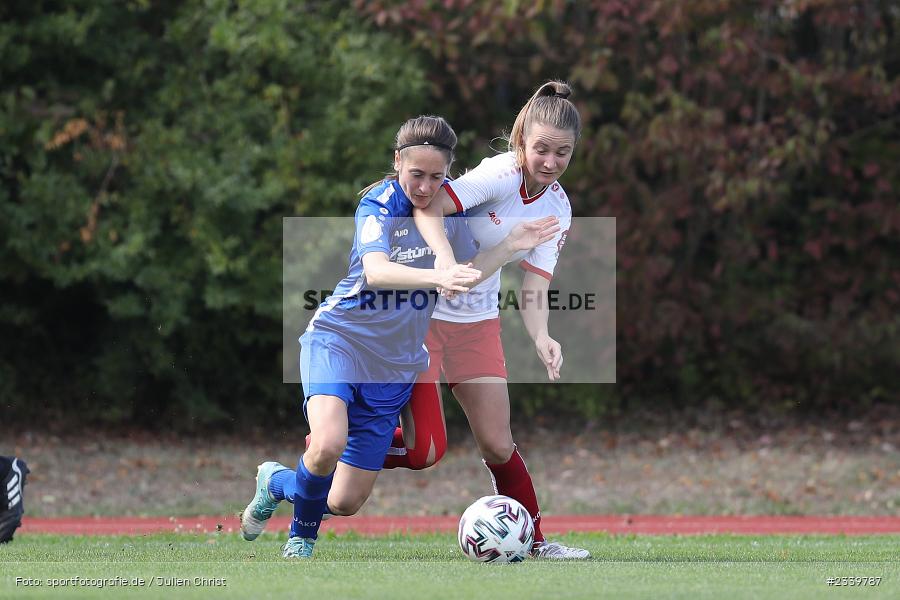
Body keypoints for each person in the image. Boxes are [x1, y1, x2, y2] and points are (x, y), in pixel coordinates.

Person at [239, 115, 559, 559]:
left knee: (343, 501)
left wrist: (509, 247)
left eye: (436, 177)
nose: (425, 187)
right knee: (328, 443)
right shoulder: (378, 203)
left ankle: (275, 481)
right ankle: (301, 541)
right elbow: (377, 271)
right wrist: (437, 275)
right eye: (416, 175)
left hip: (394, 366)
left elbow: (466, 275)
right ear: (397, 162)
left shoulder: (451, 217)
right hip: (341, 340)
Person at [388, 81, 590, 559]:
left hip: (476, 324)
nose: (551, 162)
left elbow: (534, 287)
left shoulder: (558, 208)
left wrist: (543, 336)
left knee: (499, 445)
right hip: (423, 316)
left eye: (563, 153)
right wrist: (443, 263)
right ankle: (329, 454)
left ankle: (537, 544)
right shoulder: (499, 174)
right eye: (541, 148)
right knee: (423, 452)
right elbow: (431, 204)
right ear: (521, 140)